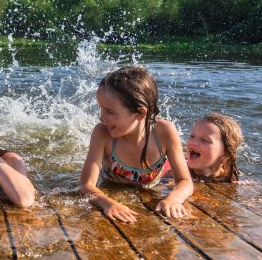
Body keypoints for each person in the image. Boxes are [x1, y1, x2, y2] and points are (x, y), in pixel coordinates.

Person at [79, 66, 193, 223]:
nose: (101, 117)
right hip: (113, 186)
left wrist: (174, 198)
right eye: (101, 109)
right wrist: (107, 203)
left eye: (109, 112)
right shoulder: (102, 133)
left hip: (151, 187)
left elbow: (185, 181)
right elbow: (86, 185)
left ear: (140, 113)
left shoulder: (165, 132)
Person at [187, 112, 244, 182]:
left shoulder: (236, 180)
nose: (193, 142)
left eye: (204, 140)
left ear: (225, 155)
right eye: (192, 136)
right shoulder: (177, 171)